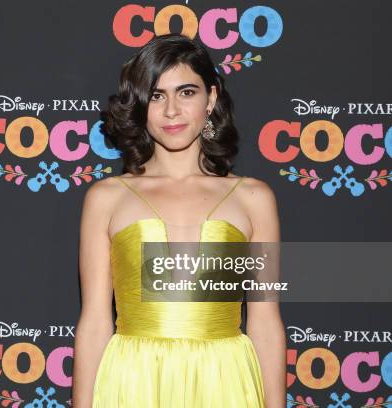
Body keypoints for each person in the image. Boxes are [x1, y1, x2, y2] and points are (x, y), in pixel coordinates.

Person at [71, 34, 286, 407]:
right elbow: (94, 323)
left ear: (211, 99)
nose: (171, 110)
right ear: (140, 105)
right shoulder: (107, 198)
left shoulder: (253, 199)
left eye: (186, 92)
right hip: (133, 382)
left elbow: (265, 324)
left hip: (226, 381)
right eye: (156, 95)